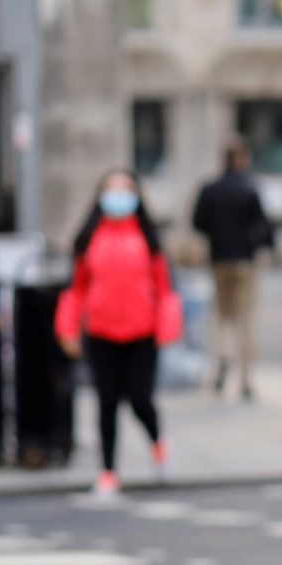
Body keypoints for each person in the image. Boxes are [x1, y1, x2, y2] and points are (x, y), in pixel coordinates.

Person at [55, 169, 181, 499]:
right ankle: (108, 471)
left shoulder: (147, 237)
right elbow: (76, 289)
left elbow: (164, 288)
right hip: (101, 332)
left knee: (140, 399)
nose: (118, 196)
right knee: (106, 403)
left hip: (142, 332)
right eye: (112, 189)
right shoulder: (90, 238)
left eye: (125, 189)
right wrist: (67, 327)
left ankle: (158, 443)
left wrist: (167, 326)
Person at [192, 137, 274, 400]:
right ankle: (246, 378)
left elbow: (198, 222)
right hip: (244, 262)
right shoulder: (249, 190)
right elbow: (264, 226)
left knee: (222, 319)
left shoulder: (210, 190)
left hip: (219, 260)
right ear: (242, 160)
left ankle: (222, 365)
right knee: (245, 321)